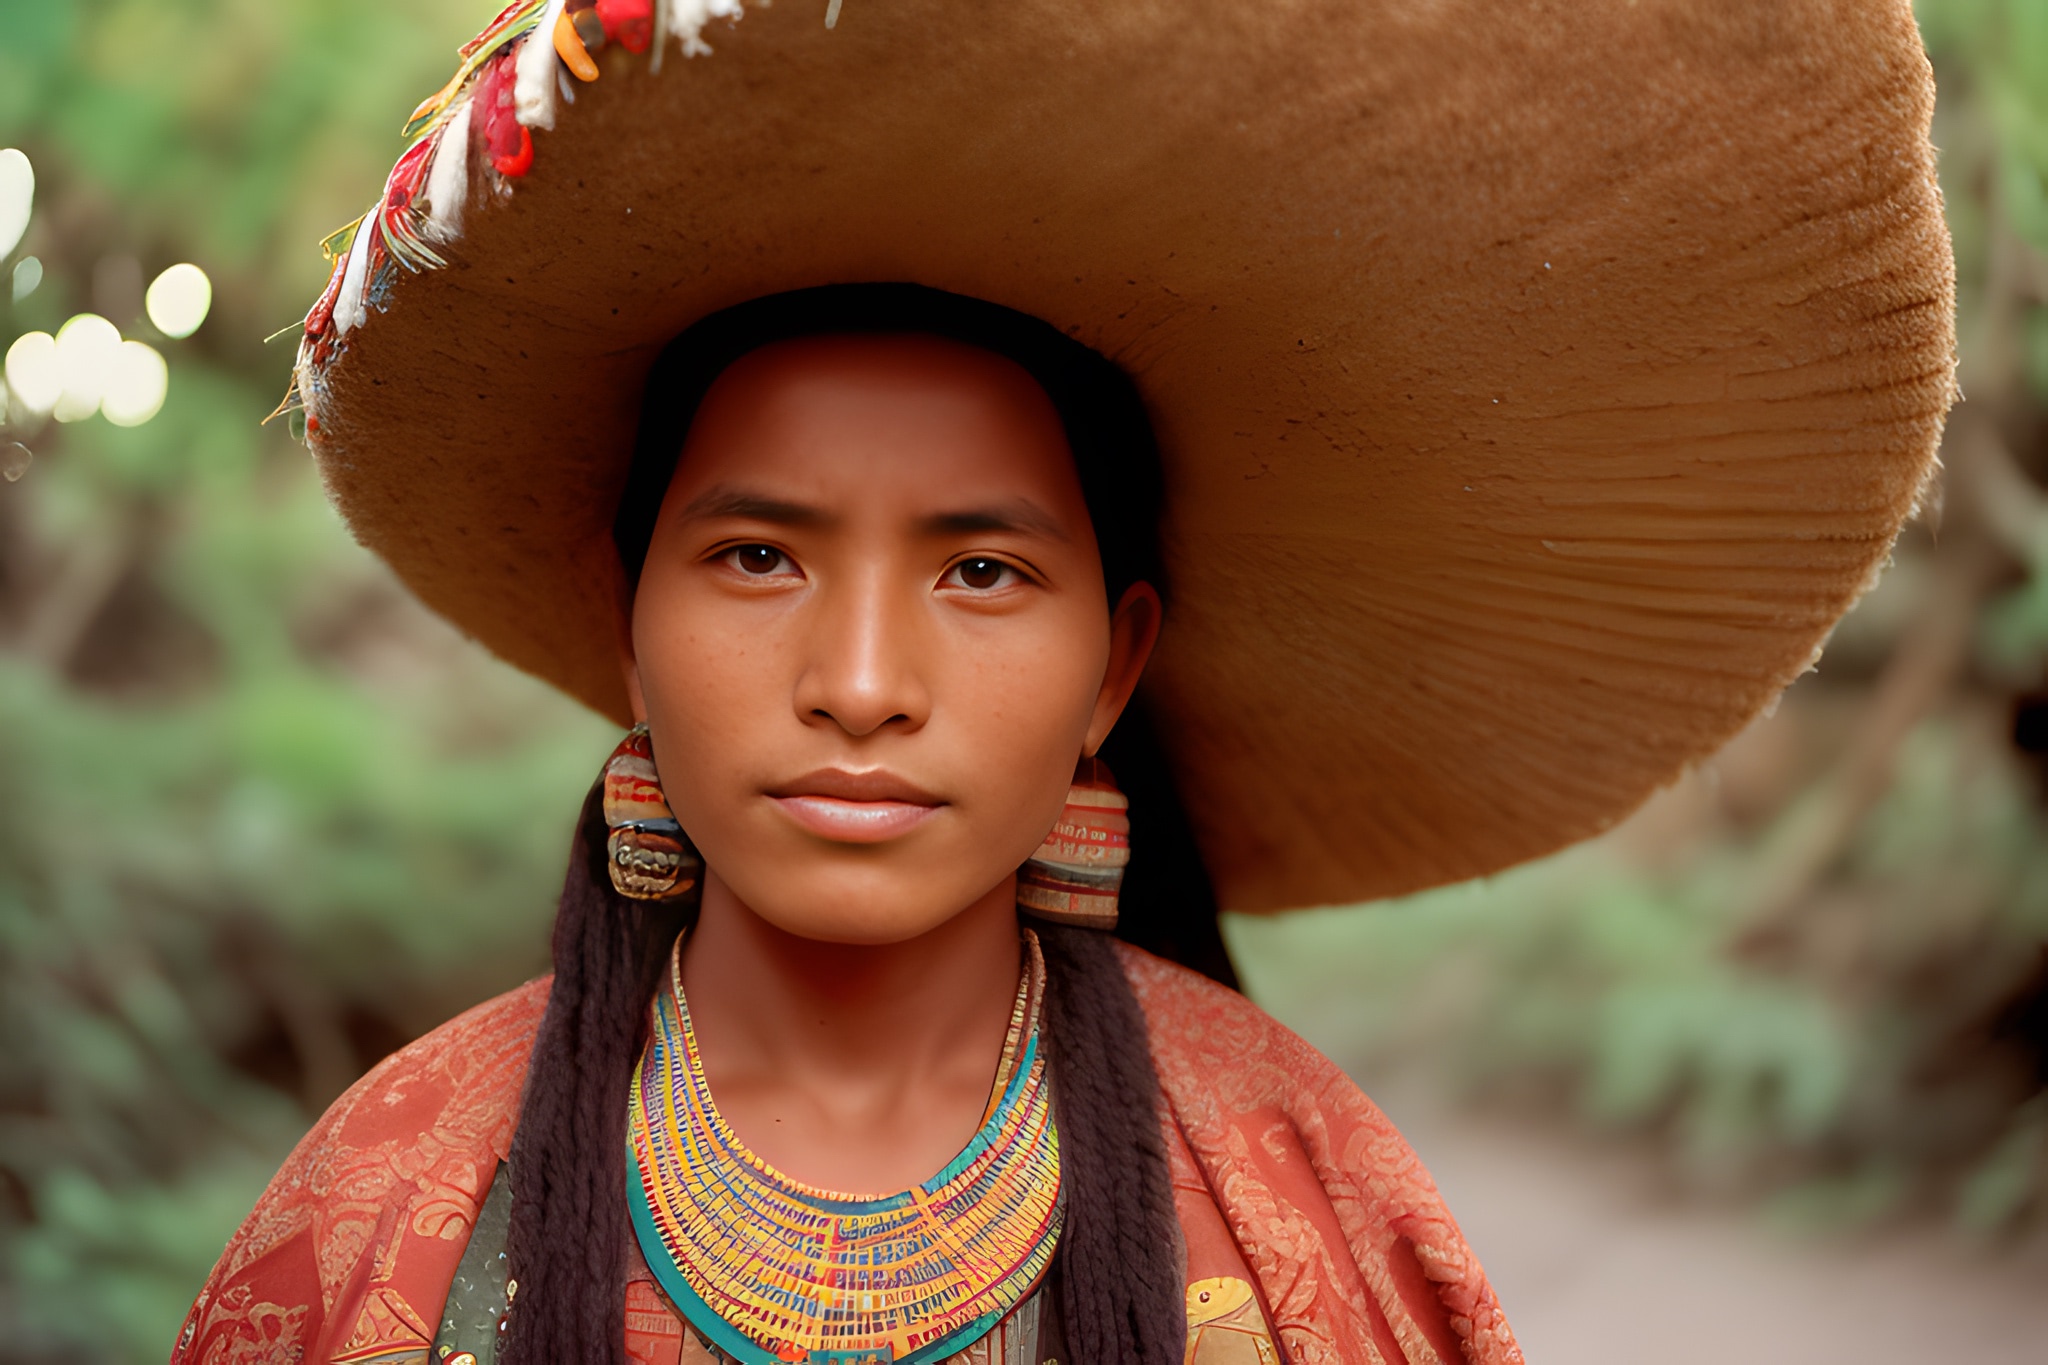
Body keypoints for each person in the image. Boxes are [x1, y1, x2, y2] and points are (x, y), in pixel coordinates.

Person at [174, 2, 1955, 1362]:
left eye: (981, 570)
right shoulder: (382, 1204)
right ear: (624, 614)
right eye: (757, 555)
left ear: (1117, 665)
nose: (861, 680)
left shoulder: (1304, 1201)